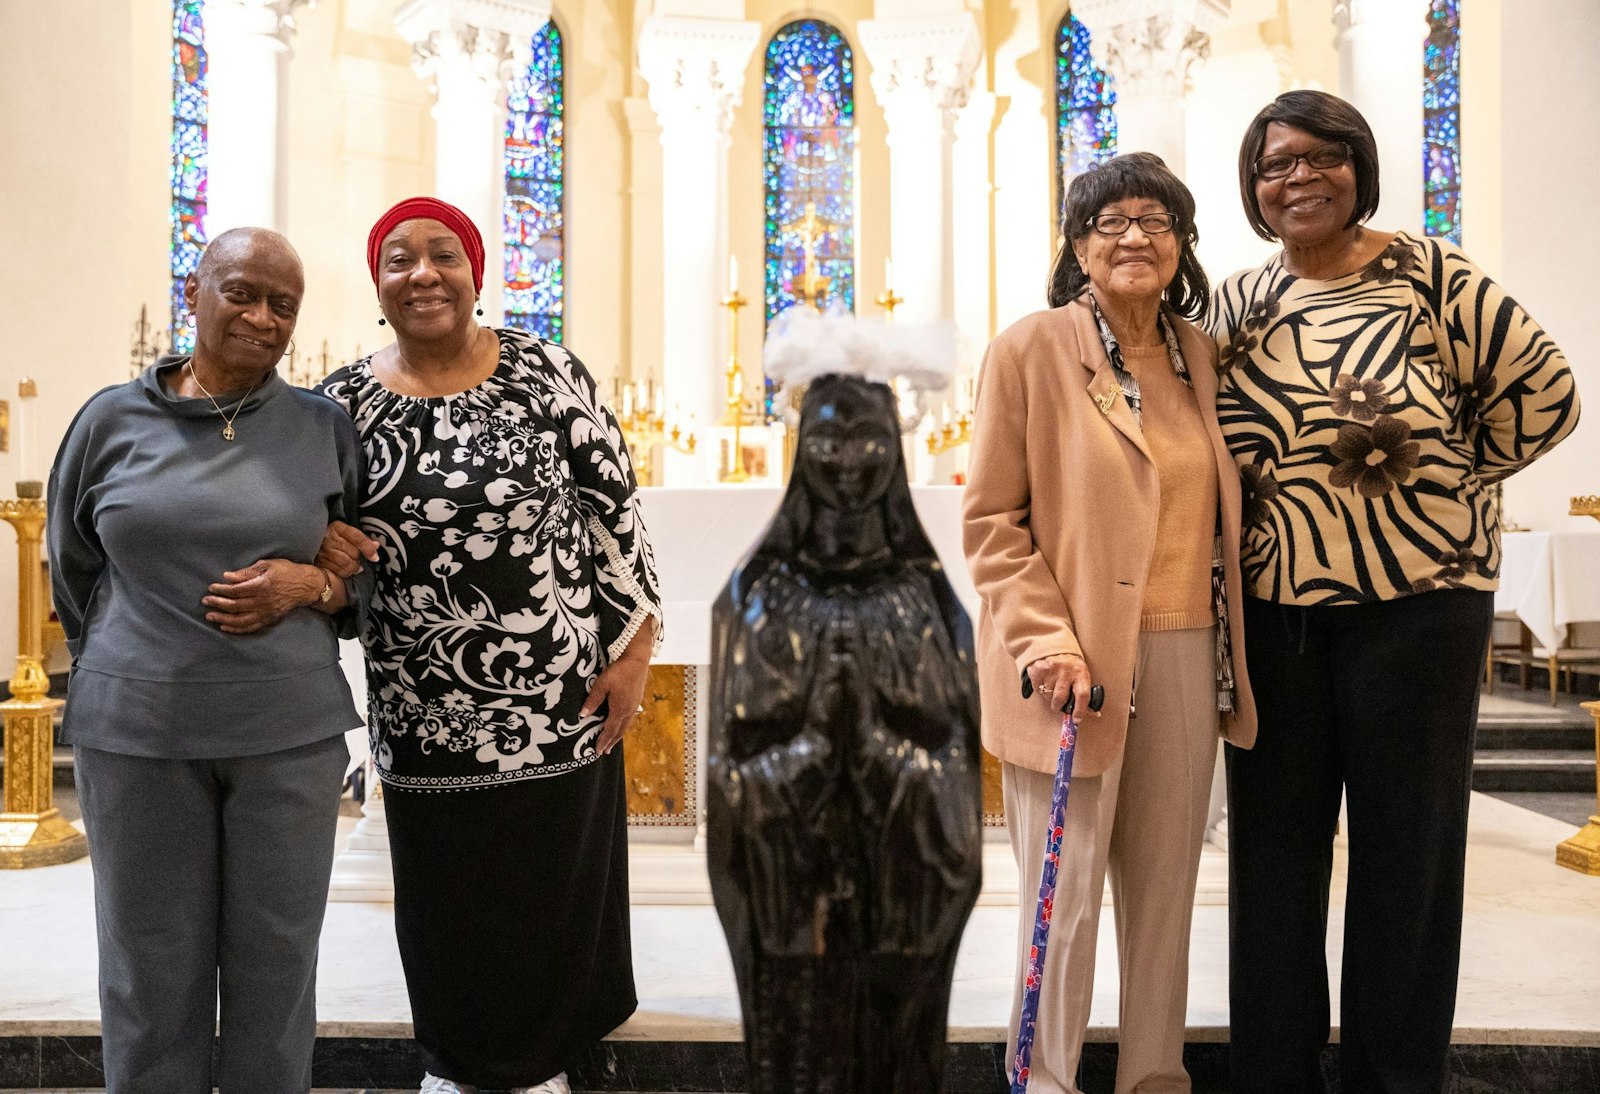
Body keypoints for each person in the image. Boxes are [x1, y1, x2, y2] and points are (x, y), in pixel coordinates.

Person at [1213, 90, 1580, 1093]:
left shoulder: (1430, 273)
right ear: (1253, 186)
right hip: (1275, 608)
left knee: (1405, 854)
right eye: (1274, 163)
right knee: (1274, 856)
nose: (1297, 177)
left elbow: (1545, 392)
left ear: (1357, 166)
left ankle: (1394, 1075)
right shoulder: (1238, 301)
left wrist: (1447, 484)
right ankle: (1273, 1072)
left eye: (1320, 156)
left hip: (1419, 603)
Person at [313, 196, 661, 1094]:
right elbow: (313, 531)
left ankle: (543, 1061)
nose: (422, 274)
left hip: (556, 691)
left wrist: (633, 653)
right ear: (377, 283)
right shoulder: (341, 403)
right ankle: (459, 1062)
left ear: (475, 270)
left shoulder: (545, 372)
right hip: (421, 698)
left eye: (443, 255)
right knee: (445, 894)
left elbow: (614, 515)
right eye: (400, 259)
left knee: (550, 885)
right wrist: (328, 547)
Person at [47, 227, 369, 1094]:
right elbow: (74, 567)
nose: (263, 318)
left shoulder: (322, 427)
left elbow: (370, 579)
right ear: (195, 292)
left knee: (276, 962)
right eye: (242, 293)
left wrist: (315, 587)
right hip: (139, 732)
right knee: (149, 963)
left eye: (284, 306)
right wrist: (128, 659)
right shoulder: (108, 421)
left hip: (287, 733)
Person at [963, 152, 1257, 1094]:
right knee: (1070, 896)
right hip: (1070, 662)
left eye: (1156, 221)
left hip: (1184, 650)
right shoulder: (1031, 349)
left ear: (1184, 243)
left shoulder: (1198, 353)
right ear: (1078, 244)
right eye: (1110, 222)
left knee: (1166, 895)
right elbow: (992, 523)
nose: (1134, 237)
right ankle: (1046, 1079)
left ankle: (1153, 1077)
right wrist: (1045, 639)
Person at [707, 343, 983, 1093]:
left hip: (900, 903)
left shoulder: (924, 598)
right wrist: (805, 759)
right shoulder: (761, 594)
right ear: (802, 450)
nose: (850, 461)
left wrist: (881, 755)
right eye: (828, 440)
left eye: (869, 440)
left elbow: (957, 769)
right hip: (793, 900)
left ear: (896, 448)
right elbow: (728, 772)